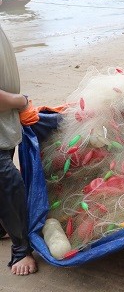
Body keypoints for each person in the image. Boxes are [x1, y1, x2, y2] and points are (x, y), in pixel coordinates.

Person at [0, 25, 38, 276]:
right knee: (7, 180)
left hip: (5, 122)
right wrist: (21, 100)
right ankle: (21, 248)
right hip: (8, 109)